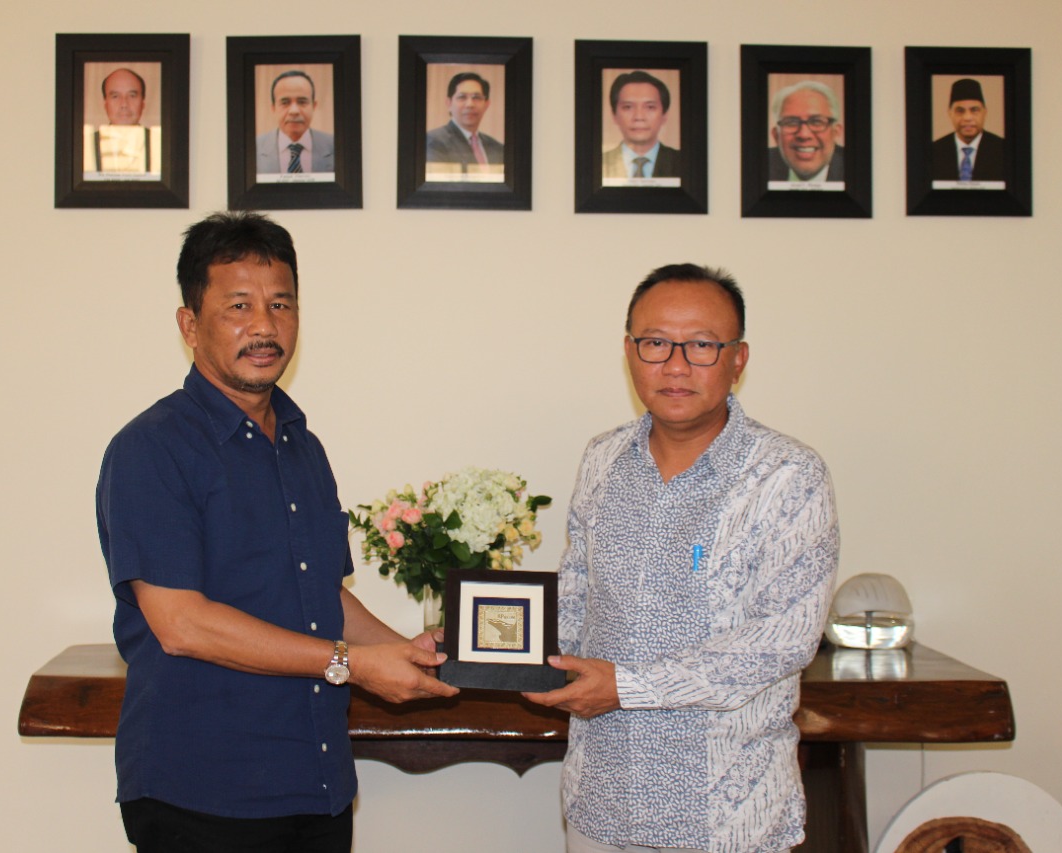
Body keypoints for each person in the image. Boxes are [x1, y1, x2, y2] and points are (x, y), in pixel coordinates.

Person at [96, 211, 457, 852]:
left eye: (281, 304)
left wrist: (406, 653)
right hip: (202, 792)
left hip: (315, 782)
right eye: (238, 305)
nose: (264, 326)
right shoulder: (151, 448)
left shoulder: (302, 446)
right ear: (189, 325)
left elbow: (321, 594)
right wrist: (353, 665)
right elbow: (181, 624)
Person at [524, 264, 839, 853]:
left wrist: (630, 687)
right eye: (656, 343)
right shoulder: (602, 459)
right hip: (601, 800)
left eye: (701, 345)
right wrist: (496, 648)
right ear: (629, 352)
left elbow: (781, 639)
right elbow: (576, 594)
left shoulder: (788, 476)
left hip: (726, 816)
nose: (675, 365)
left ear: (738, 358)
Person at [602, 71, 680, 179]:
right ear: (614, 115)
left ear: (664, 115)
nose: (639, 117)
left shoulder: (684, 162)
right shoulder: (600, 162)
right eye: (628, 107)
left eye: (650, 107)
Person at [257, 70, 335, 174]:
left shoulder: (335, 146)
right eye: (285, 102)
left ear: (314, 106)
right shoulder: (254, 149)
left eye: (302, 102)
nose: (294, 111)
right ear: (273, 108)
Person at [767, 80, 845, 183]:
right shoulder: (758, 164)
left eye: (816, 122)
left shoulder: (857, 166)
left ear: (836, 132)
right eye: (791, 123)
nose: (804, 134)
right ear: (776, 135)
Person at [86, 67, 160, 174]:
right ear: (105, 104)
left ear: (143, 103)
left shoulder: (159, 144)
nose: (124, 104)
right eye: (115, 96)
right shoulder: (86, 146)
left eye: (132, 96)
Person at [931, 78, 1005, 182]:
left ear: (984, 112)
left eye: (974, 110)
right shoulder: (934, 151)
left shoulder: (1004, 150)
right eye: (960, 111)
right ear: (950, 113)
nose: (967, 118)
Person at [426, 72, 505, 168]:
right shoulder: (434, 142)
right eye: (462, 97)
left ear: (486, 104)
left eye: (476, 97)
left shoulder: (498, 148)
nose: (470, 104)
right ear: (449, 103)